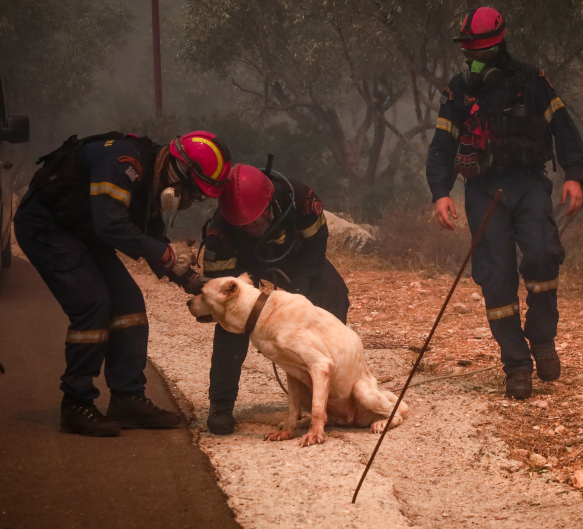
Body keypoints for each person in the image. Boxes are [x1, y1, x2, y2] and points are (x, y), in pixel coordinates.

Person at [14, 130, 232, 436]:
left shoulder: (154, 183)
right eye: (194, 192)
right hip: (48, 227)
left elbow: (151, 239)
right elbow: (111, 223)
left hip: (84, 231)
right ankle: (76, 404)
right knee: (93, 304)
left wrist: (193, 280)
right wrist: (165, 253)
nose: (191, 201)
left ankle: (127, 399)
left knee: (129, 304)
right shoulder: (123, 163)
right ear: (178, 170)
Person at [426, 7, 583, 400]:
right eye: (470, 52)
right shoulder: (459, 90)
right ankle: (516, 364)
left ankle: (542, 338)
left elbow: (563, 127)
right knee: (496, 277)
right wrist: (440, 192)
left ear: (499, 42)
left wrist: (574, 174)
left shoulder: (531, 79)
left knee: (543, 255)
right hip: (484, 191)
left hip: (530, 184)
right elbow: (443, 144)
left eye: (480, 50)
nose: (474, 58)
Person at [201, 163, 350, 434]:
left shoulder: (301, 199)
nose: (253, 227)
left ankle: (332, 385)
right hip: (243, 265)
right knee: (230, 322)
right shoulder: (219, 234)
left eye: (257, 220)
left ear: (269, 202)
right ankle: (221, 403)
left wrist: (300, 292)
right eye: (244, 225)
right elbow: (217, 292)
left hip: (296, 257)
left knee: (333, 291)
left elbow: (317, 245)